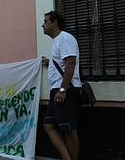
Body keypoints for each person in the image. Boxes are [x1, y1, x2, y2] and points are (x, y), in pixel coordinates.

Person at [42, 11, 81, 160]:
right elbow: (63, 63)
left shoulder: (65, 38)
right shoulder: (58, 41)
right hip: (57, 90)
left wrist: (63, 90)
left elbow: (71, 63)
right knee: (49, 125)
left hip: (65, 90)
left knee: (69, 130)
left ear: (55, 22)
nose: (43, 25)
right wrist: (49, 62)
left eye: (46, 21)